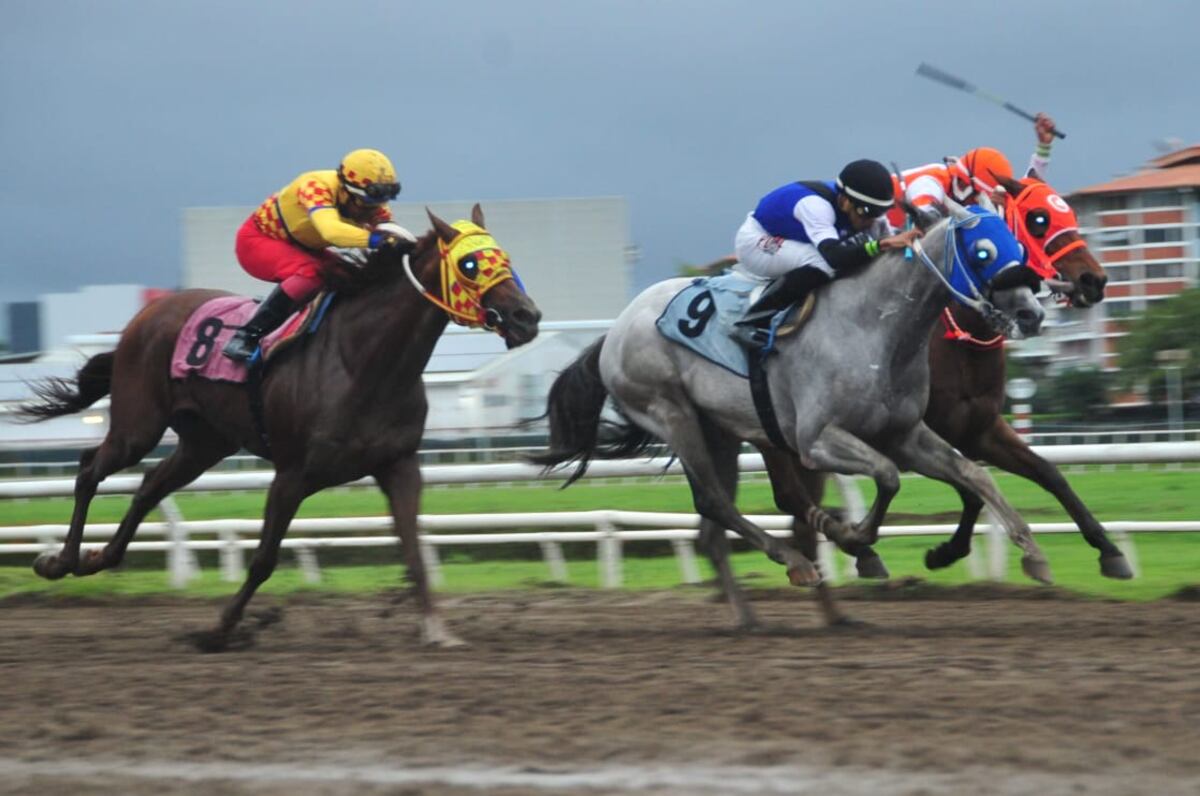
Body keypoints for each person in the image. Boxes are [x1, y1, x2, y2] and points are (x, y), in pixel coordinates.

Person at [222, 148, 417, 361]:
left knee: (350, 276)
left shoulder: (369, 200)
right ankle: (246, 337)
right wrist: (376, 240)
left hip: (304, 245)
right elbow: (331, 231)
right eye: (366, 203)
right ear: (345, 190)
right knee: (310, 273)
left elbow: (389, 231)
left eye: (380, 202)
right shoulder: (315, 186)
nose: (372, 210)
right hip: (258, 241)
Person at [734, 159, 922, 340]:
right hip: (756, 242)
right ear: (845, 202)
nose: (872, 220)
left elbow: (891, 242)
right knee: (822, 263)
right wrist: (881, 244)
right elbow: (834, 257)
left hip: (795, 239)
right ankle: (753, 321)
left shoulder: (865, 211)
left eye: (879, 212)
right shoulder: (816, 207)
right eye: (866, 212)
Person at [890, 112, 1059, 227]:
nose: (984, 201)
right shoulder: (929, 184)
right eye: (980, 195)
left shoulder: (972, 189)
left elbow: (1024, 192)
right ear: (964, 184)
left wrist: (1044, 147)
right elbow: (927, 220)